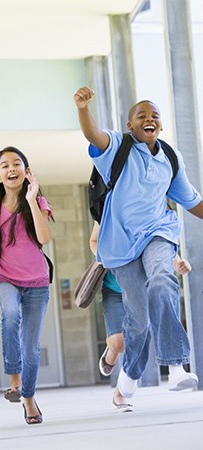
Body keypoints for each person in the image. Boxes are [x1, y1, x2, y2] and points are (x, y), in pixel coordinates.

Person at [74, 86, 203, 408]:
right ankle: (129, 376)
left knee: (162, 280)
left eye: (154, 116)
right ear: (130, 125)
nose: (149, 119)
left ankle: (175, 365)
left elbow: (190, 200)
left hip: (158, 230)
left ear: (160, 125)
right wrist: (83, 109)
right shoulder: (117, 146)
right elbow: (94, 136)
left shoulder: (170, 157)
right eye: (141, 116)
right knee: (139, 320)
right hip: (119, 246)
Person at [0, 147, 52, 425]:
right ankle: (14, 379)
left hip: (38, 282)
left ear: (26, 171)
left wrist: (31, 199)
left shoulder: (37, 201)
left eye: (17, 163)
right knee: (10, 314)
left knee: (31, 348)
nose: (11, 168)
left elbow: (43, 239)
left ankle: (28, 398)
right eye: (5, 165)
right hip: (5, 278)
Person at [89, 222, 192, 412]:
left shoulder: (146, 210)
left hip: (140, 290)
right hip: (115, 291)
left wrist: (176, 262)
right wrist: (103, 257)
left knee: (140, 330)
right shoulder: (107, 208)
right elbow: (94, 240)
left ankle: (120, 392)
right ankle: (111, 352)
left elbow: (160, 243)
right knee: (119, 343)